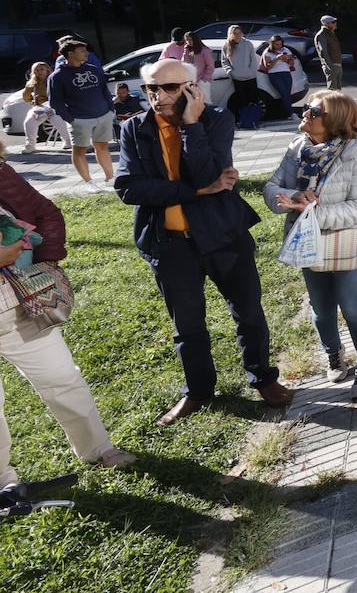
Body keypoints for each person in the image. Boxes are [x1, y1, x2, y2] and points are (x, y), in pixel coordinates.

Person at [114, 59, 292, 425]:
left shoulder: (215, 120)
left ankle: (262, 378)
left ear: (192, 88)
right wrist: (196, 190)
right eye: (150, 88)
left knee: (248, 312)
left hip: (223, 234)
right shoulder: (134, 128)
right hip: (170, 242)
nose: (157, 97)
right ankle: (198, 391)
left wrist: (192, 125)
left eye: (168, 88)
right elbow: (128, 188)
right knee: (188, 325)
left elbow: (212, 172)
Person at [0, 142, 136, 486]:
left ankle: (98, 448)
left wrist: (45, 262)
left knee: (62, 378)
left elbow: (45, 211)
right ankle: (3, 482)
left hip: (20, 304)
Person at [264, 92, 357, 400]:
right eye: (306, 108)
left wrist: (314, 212)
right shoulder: (297, 148)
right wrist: (293, 197)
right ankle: (333, 352)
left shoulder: (354, 151)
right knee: (320, 307)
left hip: (348, 240)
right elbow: (271, 187)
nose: (305, 113)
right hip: (308, 240)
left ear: (334, 120)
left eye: (314, 110)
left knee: (351, 303)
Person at [46, 38, 115, 192]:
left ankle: (110, 178)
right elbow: (55, 103)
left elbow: (104, 90)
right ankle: (89, 183)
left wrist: (110, 109)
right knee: (80, 150)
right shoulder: (57, 77)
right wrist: (72, 120)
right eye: (82, 50)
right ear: (70, 54)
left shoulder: (93, 69)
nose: (86, 53)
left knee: (102, 146)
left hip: (104, 115)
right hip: (80, 119)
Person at [20, 61, 72, 153]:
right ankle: (30, 145)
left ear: (47, 70)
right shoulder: (31, 83)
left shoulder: (54, 79)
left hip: (55, 106)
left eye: (42, 69)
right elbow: (26, 97)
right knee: (29, 122)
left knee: (59, 120)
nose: (39, 72)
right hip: (40, 107)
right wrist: (33, 100)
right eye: (36, 70)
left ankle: (68, 141)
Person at [223, 25, 261, 117]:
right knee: (240, 101)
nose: (237, 35)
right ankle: (243, 120)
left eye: (239, 33)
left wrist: (251, 71)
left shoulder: (248, 44)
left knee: (253, 100)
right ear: (230, 34)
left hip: (250, 77)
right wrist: (230, 72)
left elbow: (253, 60)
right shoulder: (226, 45)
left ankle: (255, 119)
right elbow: (224, 61)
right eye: (234, 33)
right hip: (237, 78)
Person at [259, 35, 296, 119]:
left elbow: (292, 63)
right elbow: (267, 66)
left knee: (287, 94)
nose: (279, 46)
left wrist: (288, 59)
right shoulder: (267, 52)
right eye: (276, 44)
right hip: (275, 74)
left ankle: (286, 113)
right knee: (284, 93)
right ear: (272, 44)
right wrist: (277, 59)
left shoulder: (286, 50)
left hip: (286, 73)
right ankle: (291, 113)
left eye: (280, 44)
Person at [181, 31, 215, 107]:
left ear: (195, 39)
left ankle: (209, 117)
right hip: (192, 82)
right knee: (194, 102)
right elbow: (184, 64)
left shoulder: (205, 50)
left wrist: (204, 79)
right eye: (186, 40)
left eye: (190, 39)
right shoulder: (189, 50)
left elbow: (211, 66)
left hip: (202, 81)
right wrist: (185, 51)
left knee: (206, 101)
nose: (188, 42)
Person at [315, 15, 343, 91]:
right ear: (326, 24)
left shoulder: (331, 33)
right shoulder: (321, 35)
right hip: (331, 66)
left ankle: (337, 103)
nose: (335, 24)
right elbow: (323, 52)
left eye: (335, 22)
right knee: (332, 91)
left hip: (337, 64)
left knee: (338, 90)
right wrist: (330, 67)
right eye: (333, 22)